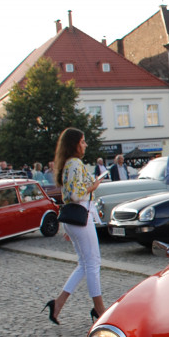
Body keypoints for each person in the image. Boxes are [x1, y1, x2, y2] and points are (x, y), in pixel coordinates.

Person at [47, 128, 108, 323]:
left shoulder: (68, 164)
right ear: (74, 144)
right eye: (82, 141)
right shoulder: (74, 163)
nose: (85, 145)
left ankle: (58, 303)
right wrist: (93, 186)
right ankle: (99, 309)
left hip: (75, 218)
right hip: (80, 216)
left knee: (84, 264)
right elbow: (75, 194)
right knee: (93, 263)